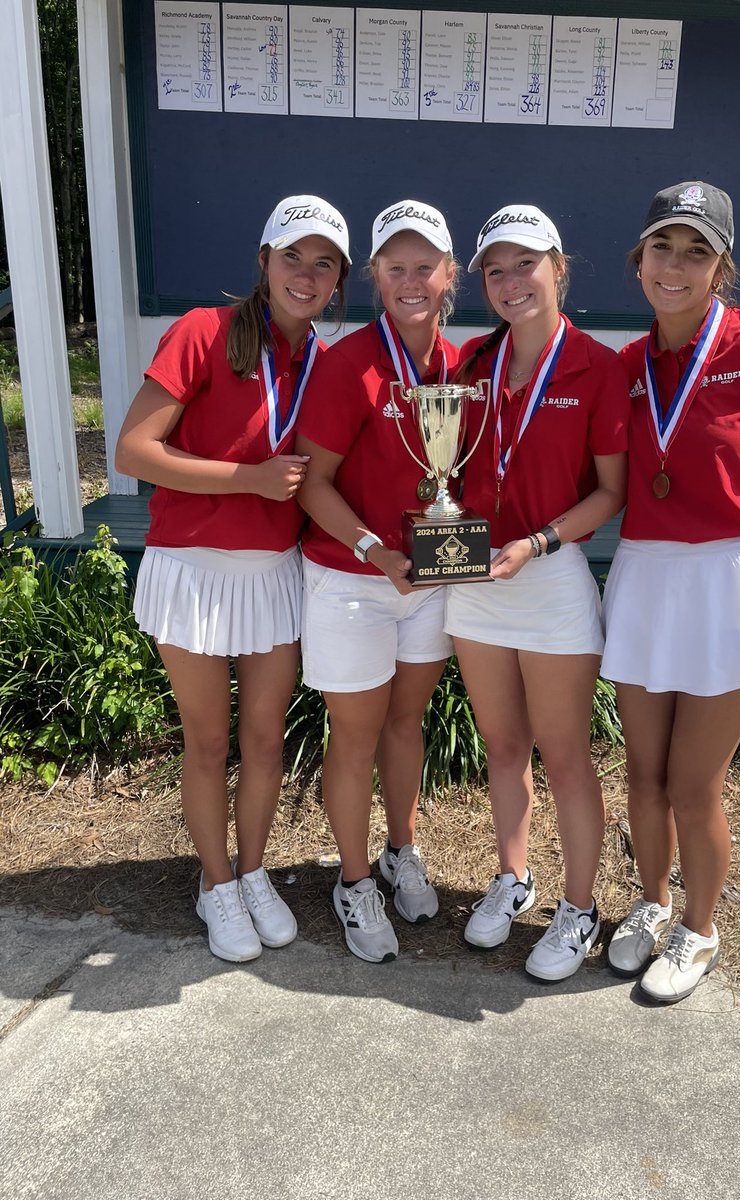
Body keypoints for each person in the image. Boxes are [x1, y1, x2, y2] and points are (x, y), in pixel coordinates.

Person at [115, 195, 351, 962]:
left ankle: (253, 872)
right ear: (262, 262)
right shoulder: (202, 331)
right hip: (191, 570)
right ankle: (215, 884)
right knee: (209, 741)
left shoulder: (324, 361)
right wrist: (245, 480)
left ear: (339, 279)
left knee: (263, 738)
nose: (306, 275)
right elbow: (134, 452)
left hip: (272, 574)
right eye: (293, 258)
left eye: (324, 264)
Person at [601, 181, 740, 1003]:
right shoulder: (626, 366)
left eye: (697, 252)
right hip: (648, 577)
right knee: (643, 778)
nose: (676, 266)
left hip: (732, 580)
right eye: (664, 247)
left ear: (721, 266)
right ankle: (651, 906)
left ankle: (700, 929)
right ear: (640, 260)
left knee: (695, 786)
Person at [445, 205, 629, 982]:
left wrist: (538, 542)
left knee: (564, 755)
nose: (512, 282)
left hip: (548, 576)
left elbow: (611, 492)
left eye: (526, 264)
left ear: (558, 267)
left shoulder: (597, 365)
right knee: (504, 746)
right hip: (475, 578)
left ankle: (579, 907)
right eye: (496, 269)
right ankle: (515, 878)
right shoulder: (470, 365)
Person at [294, 200, 460, 964]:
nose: (410, 280)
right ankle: (354, 880)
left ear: (448, 274)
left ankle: (402, 849)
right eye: (394, 267)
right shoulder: (347, 363)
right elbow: (313, 485)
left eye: (423, 265)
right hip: (352, 582)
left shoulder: (459, 368)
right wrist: (372, 549)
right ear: (375, 277)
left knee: (405, 723)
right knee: (355, 734)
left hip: (428, 581)